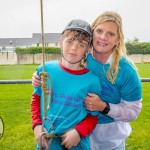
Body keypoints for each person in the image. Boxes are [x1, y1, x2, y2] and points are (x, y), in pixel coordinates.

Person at [32, 11, 142, 150]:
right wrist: (38, 78)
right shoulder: (81, 54)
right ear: (92, 33)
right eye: (99, 31)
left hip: (109, 139)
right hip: (77, 136)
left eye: (111, 34)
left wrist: (104, 106)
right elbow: (58, 73)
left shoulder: (126, 71)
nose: (103, 37)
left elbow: (133, 111)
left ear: (118, 40)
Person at [31, 19, 102, 150]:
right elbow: (36, 99)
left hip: (76, 145)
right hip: (46, 143)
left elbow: (93, 116)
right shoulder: (45, 70)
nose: (74, 48)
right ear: (60, 43)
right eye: (69, 41)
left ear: (88, 50)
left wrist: (78, 132)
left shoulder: (92, 81)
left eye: (81, 45)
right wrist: (37, 126)